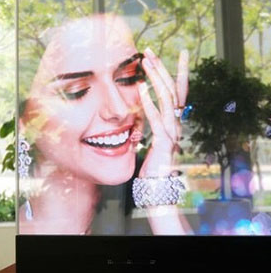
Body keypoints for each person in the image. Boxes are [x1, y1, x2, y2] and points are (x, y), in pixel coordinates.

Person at [18, 13, 192, 235]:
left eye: (128, 77)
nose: (119, 109)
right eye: (76, 91)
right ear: (25, 120)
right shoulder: (10, 244)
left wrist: (160, 190)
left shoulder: (140, 220)